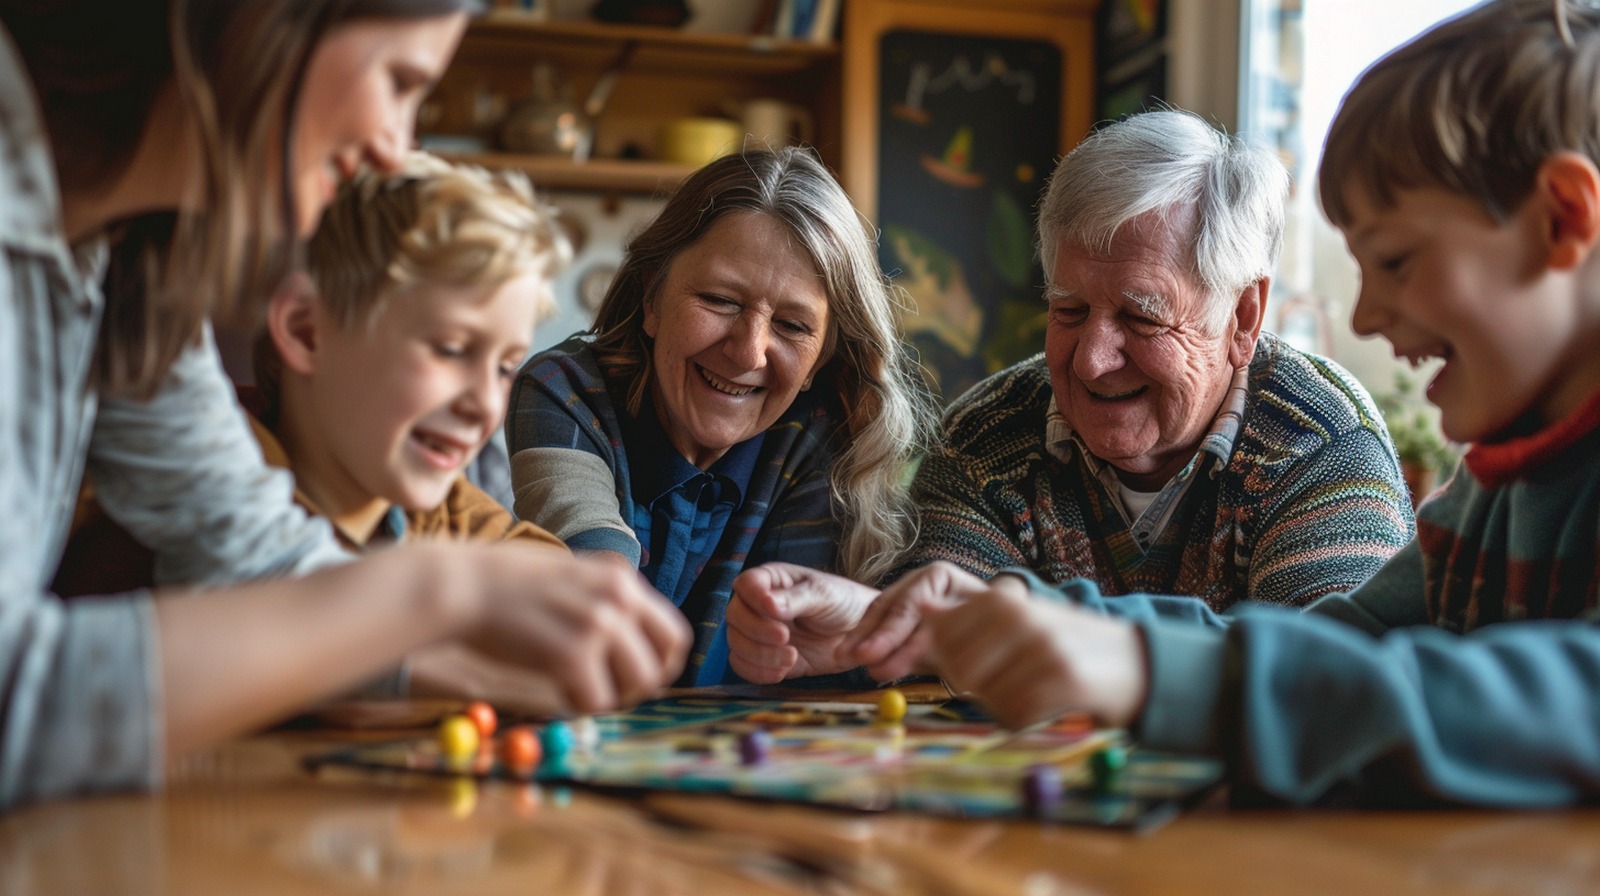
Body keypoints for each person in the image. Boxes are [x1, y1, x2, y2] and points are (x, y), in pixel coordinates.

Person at [853, 0, 1600, 807]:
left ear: (1563, 219)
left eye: (1395, 260)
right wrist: (991, 613)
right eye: (1069, 309)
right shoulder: (1496, 492)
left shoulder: (1336, 439)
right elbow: (1327, 651)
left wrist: (1145, 670)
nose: (1362, 318)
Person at [0, 0, 689, 810]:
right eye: (398, 82)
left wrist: (470, 663)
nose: (394, 149)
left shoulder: (132, 270)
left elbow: (258, 560)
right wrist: (434, 591)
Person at [726, 109, 1415, 685]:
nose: (1091, 359)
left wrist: (1008, 628)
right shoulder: (987, 437)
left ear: (1241, 318)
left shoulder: (1323, 445)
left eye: (1142, 317)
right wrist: (885, 629)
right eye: (1069, 310)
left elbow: (1326, 681)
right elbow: (942, 652)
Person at [60, 152, 596, 714]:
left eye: (506, 366)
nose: (485, 403)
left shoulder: (449, 510)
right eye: (451, 350)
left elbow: (551, 592)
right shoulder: (183, 484)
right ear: (307, 331)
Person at [506, 146, 938, 685]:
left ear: (820, 359)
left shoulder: (824, 434)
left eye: (793, 326)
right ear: (651, 299)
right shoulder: (562, 390)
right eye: (719, 300)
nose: (747, 352)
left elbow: (795, 667)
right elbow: (592, 573)